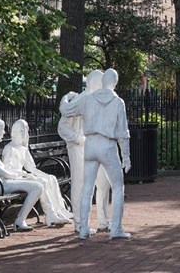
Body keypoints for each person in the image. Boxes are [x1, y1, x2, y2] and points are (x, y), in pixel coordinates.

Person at [60, 68, 132, 240]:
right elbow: (123, 132)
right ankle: (116, 228)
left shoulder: (87, 99)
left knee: (87, 188)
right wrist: (126, 156)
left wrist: (65, 97)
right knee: (118, 187)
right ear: (115, 82)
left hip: (90, 145)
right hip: (107, 146)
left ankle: (83, 229)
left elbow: (66, 110)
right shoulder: (118, 102)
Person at [58, 70, 112, 234]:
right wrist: (79, 139)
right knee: (80, 185)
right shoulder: (80, 100)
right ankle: (80, 223)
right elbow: (62, 127)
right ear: (93, 83)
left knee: (103, 183)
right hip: (79, 148)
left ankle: (103, 220)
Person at [2, 119, 73, 227]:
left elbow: (32, 168)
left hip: (22, 176)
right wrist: (25, 174)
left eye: (24, 131)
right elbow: (7, 170)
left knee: (51, 178)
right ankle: (50, 214)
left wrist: (46, 175)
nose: (23, 133)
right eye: (20, 131)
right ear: (13, 132)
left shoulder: (23, 149)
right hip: (14, 179)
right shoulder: (10, 148)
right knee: (42, 182)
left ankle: (59, 210)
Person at [0, 118, 42, 232]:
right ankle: (19, 221)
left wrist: (21, 174)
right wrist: (19, 176)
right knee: (37, 187)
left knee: (37, 184)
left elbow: (3, 169)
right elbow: (0, 171)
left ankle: (20, 220)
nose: (3, 132)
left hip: (3, 182)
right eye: (1, 129)